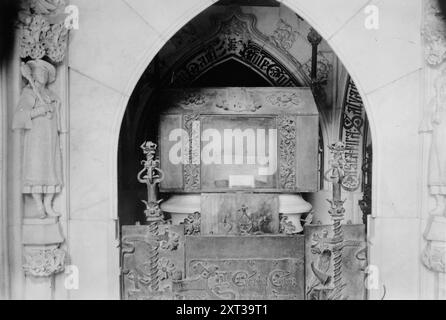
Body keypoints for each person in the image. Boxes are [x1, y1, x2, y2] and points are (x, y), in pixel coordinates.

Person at [13, 59, 63, 219]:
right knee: (36, 169)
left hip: (50, 139)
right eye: (41, 72)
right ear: (33, 74)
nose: (44, 75)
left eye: (46, 73)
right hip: (36, 139)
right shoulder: (29, 92)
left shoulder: (50, 95)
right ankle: (39, 205)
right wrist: (40, 110)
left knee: (51, 169)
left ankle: (48, 204)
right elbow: (19, 117)